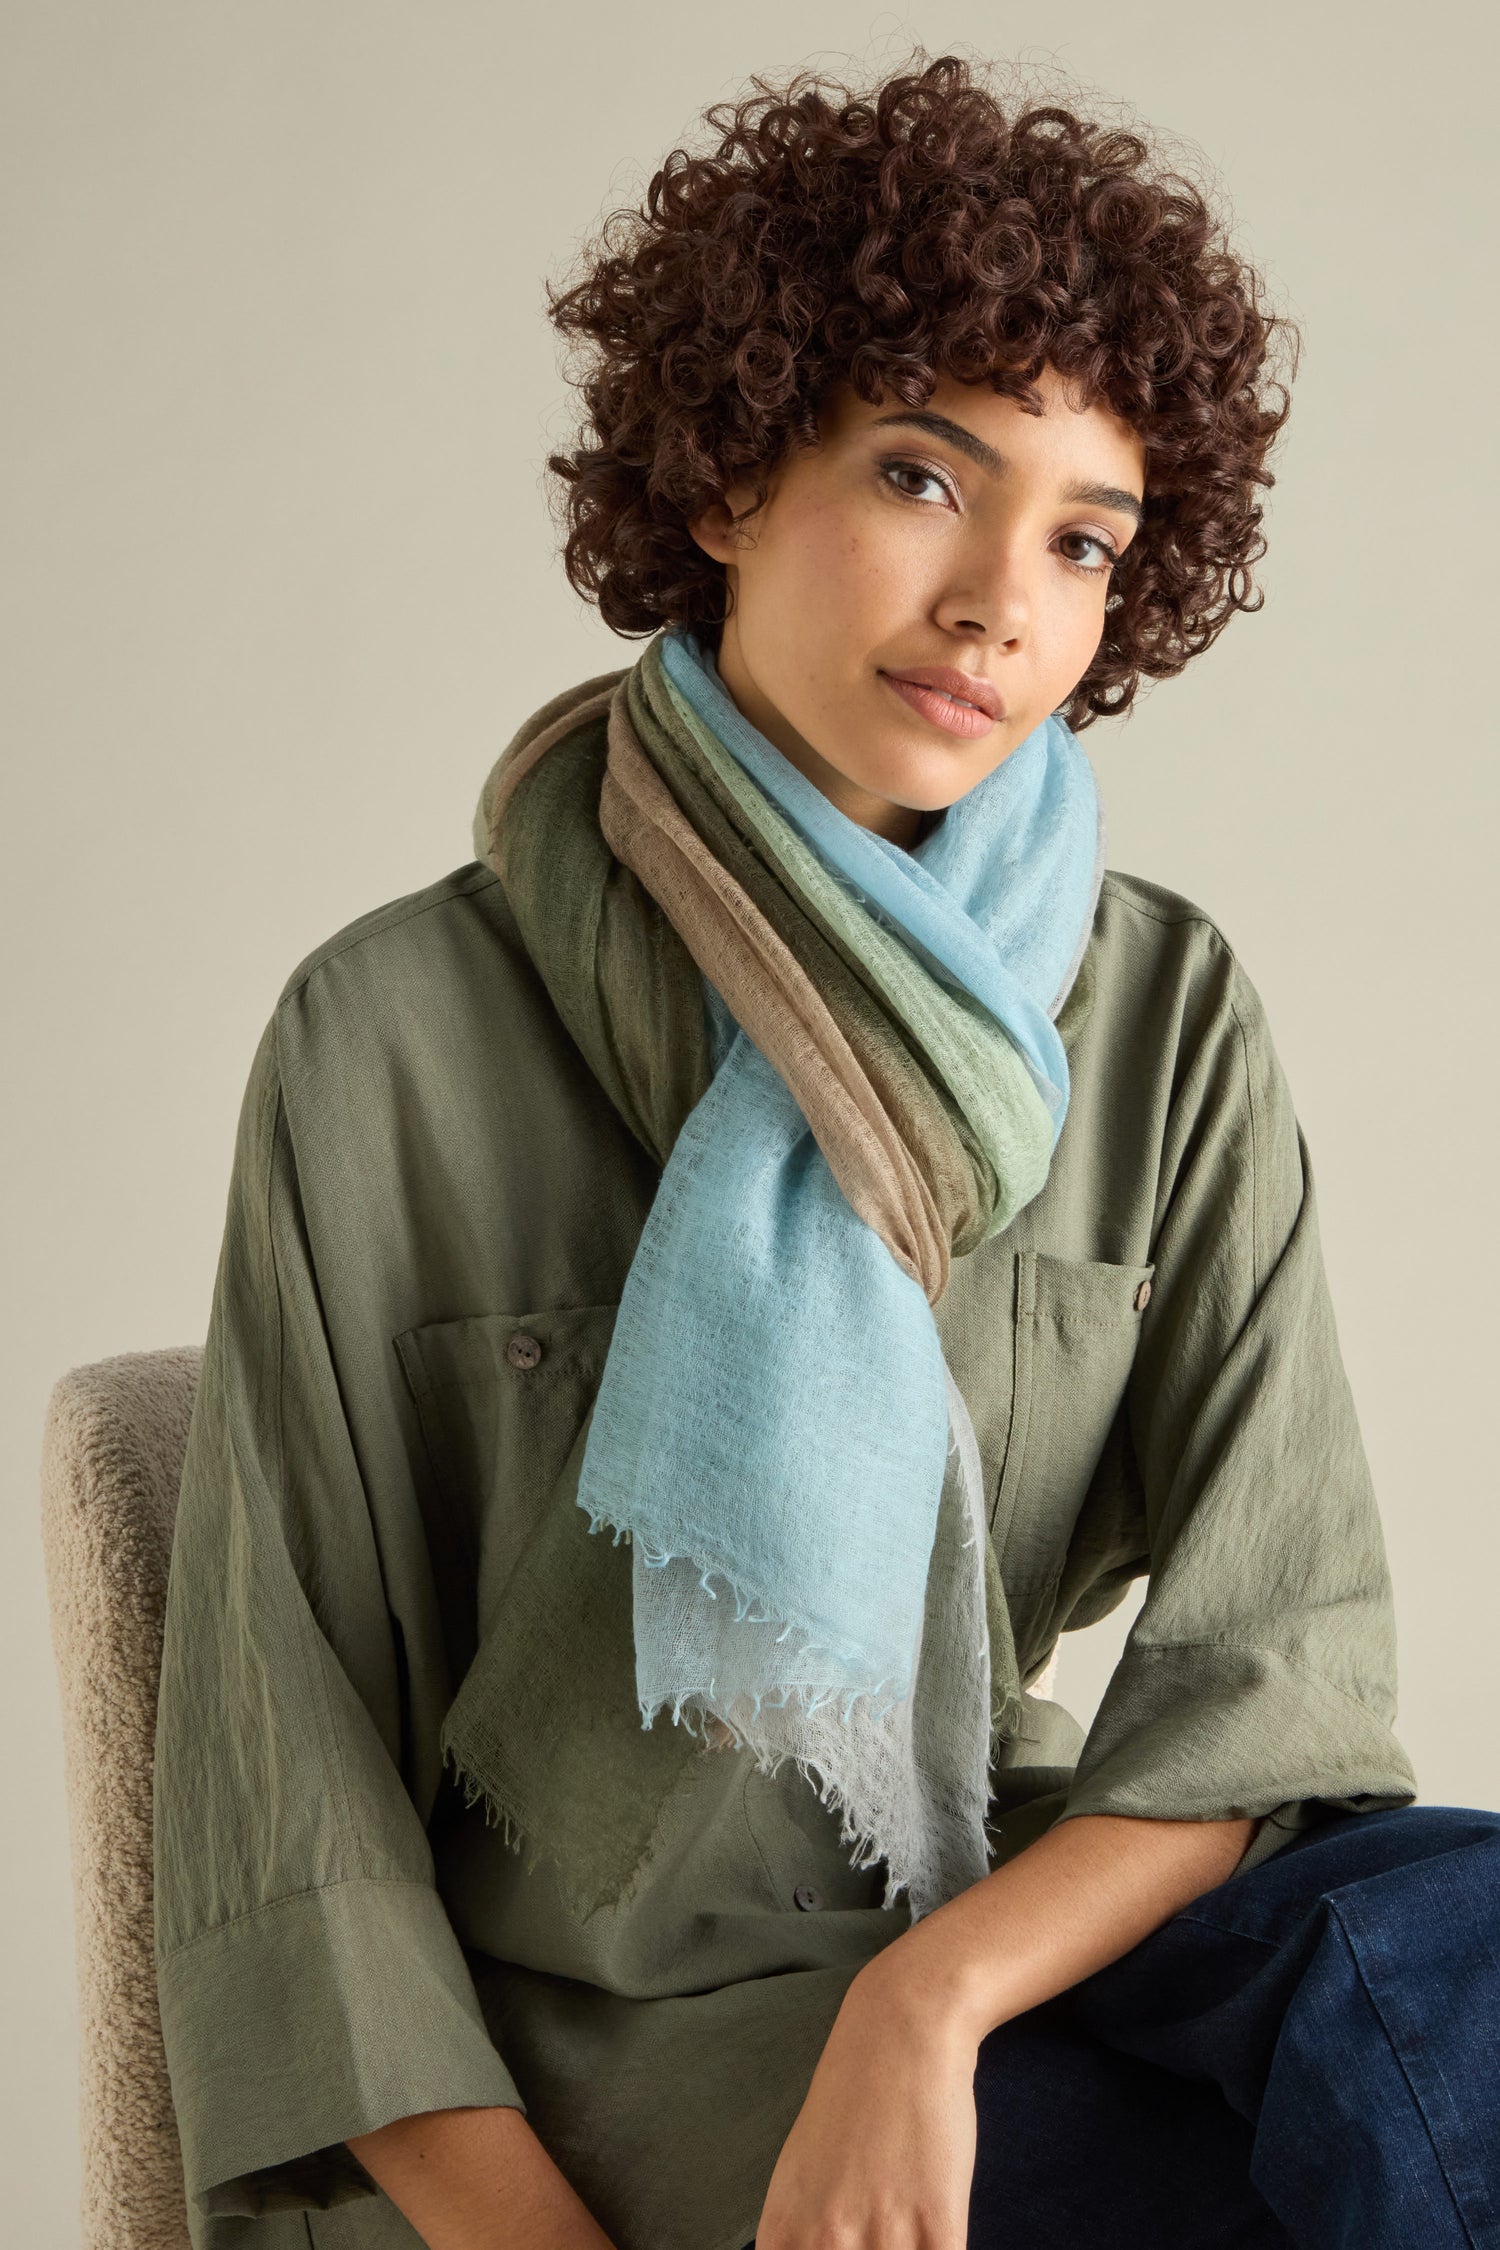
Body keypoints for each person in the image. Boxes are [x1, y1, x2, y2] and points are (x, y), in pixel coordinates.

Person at [150, 49, 1500, 2250]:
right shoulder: (389, 1040)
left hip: (1006, 1940)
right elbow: (280, 1813)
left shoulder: (1158, 1013)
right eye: (918, 473)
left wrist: (926, 2008)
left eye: (1084, 538)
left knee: (1470, 1956)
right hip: (609, 2039)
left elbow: (1272, 1687)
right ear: (721, 471)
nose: (999, 601)